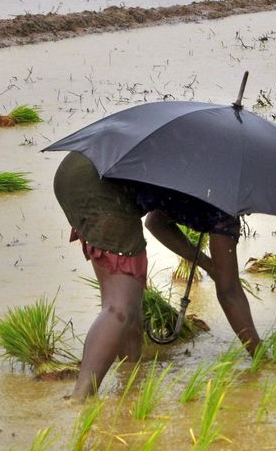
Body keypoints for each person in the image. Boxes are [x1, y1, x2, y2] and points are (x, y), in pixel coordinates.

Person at [53, 151, 260, 400]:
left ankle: (130, 377)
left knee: (130, 300)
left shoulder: (207, 169)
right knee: (120, 307)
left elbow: (156, 222)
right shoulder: (225, 207)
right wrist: (260, 357)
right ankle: (80, 397)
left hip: (77, 170)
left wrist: (205, 264)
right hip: (101, 187)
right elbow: (230, 291)